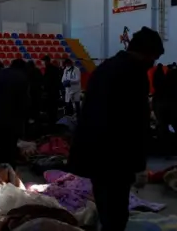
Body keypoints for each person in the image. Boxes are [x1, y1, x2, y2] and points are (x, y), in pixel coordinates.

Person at [68, 27, 164, 231]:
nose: (152, 64)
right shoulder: (135, 74)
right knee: (116, 216)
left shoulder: (104, 68)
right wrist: (139, 165)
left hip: (94, 153)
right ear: (145, 53)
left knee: (106, 209)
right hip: (116, 158)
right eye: (153, 58)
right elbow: (137, 123)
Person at [42, 56, 62, 124]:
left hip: (50, 92)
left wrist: (45, 90)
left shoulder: (49, 69)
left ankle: (51, 122)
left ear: (46, 61)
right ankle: (54, 121)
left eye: (44, 61)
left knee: (50, 108)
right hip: (55, 92)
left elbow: (47, 81)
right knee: (54, 108)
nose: (43, 62)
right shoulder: (55, 69)